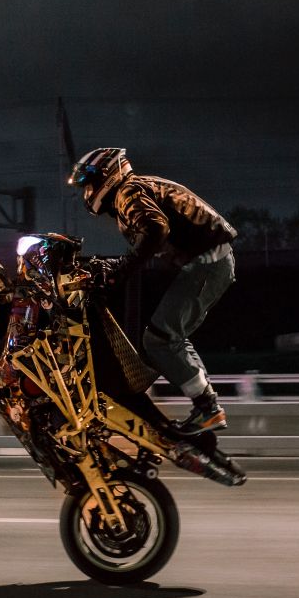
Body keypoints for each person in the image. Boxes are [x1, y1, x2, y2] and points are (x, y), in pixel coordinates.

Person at [67, 147, 237, 435]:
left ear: (109, 174)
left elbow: (156, 231)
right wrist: (113, 267)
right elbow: (149, 243)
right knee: (167, 337)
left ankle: (208, 409)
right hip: (209, 262)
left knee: (160, 339)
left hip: (208, 263)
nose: (88, 193)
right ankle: (207, 407)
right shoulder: (140, 187)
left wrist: (119, 270)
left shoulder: (128, 192)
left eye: (91, 184)